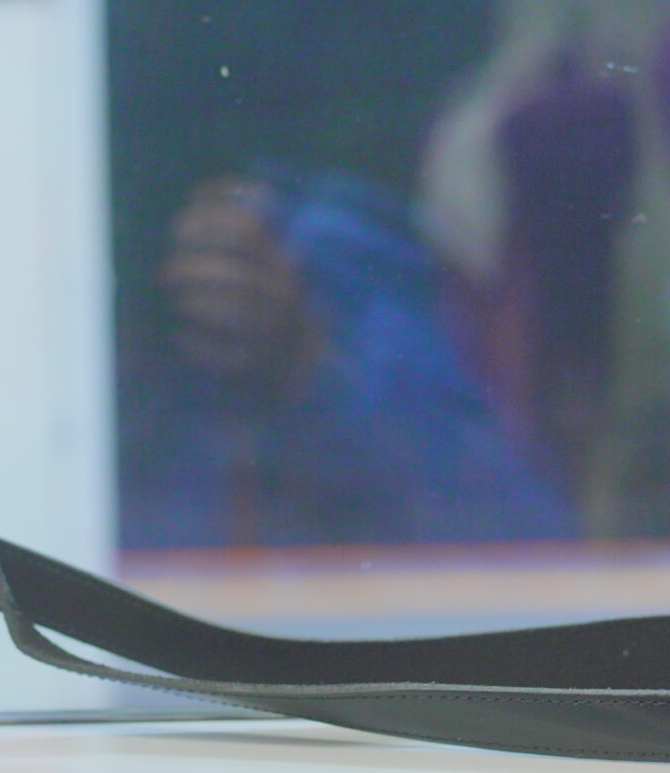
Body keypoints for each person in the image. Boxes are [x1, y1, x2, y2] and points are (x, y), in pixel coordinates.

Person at [120, 171, 579, 549]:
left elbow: (521, 544)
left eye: (239, 264)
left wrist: (305, 364)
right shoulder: (149, 426)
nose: (214, 288)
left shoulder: (371, 297)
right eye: (196, 263)